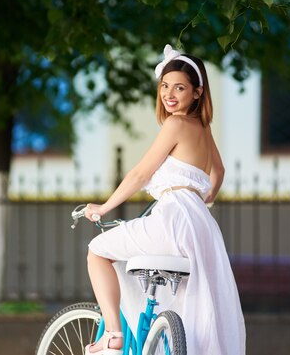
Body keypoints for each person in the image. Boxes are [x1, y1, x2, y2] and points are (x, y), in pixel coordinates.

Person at [83, 44, 246, 355]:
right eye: (165, 86)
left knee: (97, 252)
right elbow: (219, 171)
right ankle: (160, 336)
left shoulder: (176, 124)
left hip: (173, 216)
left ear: (197, 93)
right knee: (193, 302)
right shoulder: (202, 127)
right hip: (199, 222)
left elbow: (140, 174)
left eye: (180, 88)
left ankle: (113, 335)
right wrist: (202, 197)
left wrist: (103, 207)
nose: (169, 94)